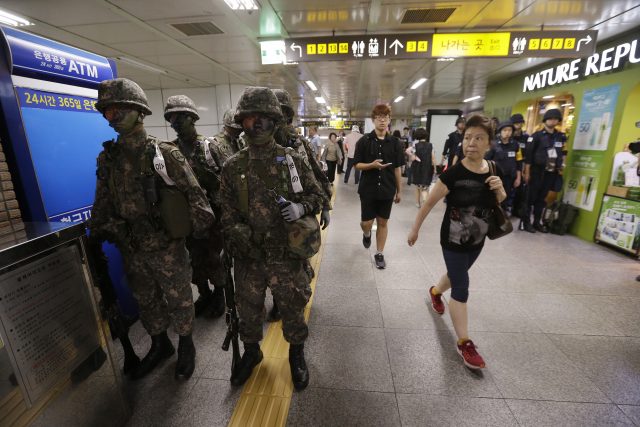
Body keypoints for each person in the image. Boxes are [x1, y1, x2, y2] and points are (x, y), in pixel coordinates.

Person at [89, 78, 215, 380]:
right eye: (108, 111)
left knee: (180, 298)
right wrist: (101, 231)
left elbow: (198, 198)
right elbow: (102, 203)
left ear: (138, 111)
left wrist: (189, 236)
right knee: (146, 299)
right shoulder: (108, 158)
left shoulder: (164, 154)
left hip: (167, 246)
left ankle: (186, 344)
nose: (113, 116)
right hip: (131, 247)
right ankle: (160, 345)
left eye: (120, 109)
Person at [220, 87, 325, 390]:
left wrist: (301, 207)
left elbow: (318, 194)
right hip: (249, 256)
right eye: (250, 118)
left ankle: (296, 353)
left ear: (275, 121)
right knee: (248, 310)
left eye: (264, 118)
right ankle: (252, 352)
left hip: (286, 255)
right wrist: (235, 231)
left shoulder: (291, 160)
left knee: (292, 307)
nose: (257, 124)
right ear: (242, 122)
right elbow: (225, 211)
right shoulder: (232, 166)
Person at [407, 114, 506, 370]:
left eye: (479, 138)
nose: (471, 142)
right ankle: (465, 343)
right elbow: (429, 203)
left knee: (454, 276)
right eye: (467, 137)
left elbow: (500, 200)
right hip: (452, 239)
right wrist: (415, 230)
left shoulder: (493, 169)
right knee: (461, 285)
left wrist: (500, 189)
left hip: (478, 239)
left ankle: (435, 291)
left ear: (488, 143)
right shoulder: (452, 175)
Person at [163, 95, 226, 318]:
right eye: (172, 118)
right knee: (195, 260)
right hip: (186, 218)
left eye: (181, 117)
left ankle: (220, 294)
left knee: (213, 258)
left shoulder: (210, 148)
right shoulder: (170, 150)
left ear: (193, 118)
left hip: (213, 217)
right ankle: (204, 293)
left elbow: (228, 182)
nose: (176, 122)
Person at [354, 104, 405, 269]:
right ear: (373, 120)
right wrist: (372, 165)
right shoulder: (364, 141)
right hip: (368, 189)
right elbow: (357, 165)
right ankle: (367, 233)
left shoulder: (396, 143)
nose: (382, 120)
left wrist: (399, 191)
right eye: (378, 117)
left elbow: (397, 168)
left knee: (383, 222)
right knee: (366, 223)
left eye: (385, 117)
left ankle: (379, 253)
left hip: (387, 189)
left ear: (389, 120)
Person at [522, 108, 567, 233]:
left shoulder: (560, 137)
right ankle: (526, 222)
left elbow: (563, 153)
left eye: (555, 119)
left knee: (542, 199)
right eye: (550, 118)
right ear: (545, 120)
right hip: (537, 171)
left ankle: (537, 222)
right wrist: (527, 172)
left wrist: (562, 165)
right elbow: (529, 156)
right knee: (530, 198)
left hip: (551, 172)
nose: (553, 121)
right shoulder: (536, 136)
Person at [485, 121, 522, 214]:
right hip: (496, 177)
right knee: (494, 197)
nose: (507, 132)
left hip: (510, 177)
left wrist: (518, 177)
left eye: (509, 130)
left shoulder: (515, 145)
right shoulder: (493, 144)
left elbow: (519, 162)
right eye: (505, 130)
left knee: (506, 196)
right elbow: (486, 161)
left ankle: (502, 215)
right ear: (500, 131)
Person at [510, 113, 530, 219]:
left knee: (519, 190)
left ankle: (516, 210)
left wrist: (525, 171)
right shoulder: (508, 136)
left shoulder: (526, 138)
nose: (518, 125)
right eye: (516, 123)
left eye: (520, 123)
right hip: (508, 165)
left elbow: (528, 155)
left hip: (520, 165)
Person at [411, 128, 436, 208]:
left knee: (418, 187)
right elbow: (433, 158)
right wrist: (435, 168)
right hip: (428, 168)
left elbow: (412, 158)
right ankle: (425, 201)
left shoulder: (415, 146)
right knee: (426, 186)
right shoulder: (430, 145)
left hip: (417, 168)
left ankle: (418, 203)